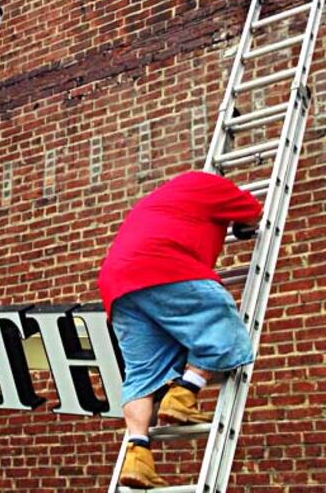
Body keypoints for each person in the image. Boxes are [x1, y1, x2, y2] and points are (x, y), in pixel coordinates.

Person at [98, 171, 263, 488]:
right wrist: (245, 225)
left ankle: (138, 454)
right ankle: (184, 394)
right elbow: (252, 211)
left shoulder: (161, 200)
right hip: (161, 264)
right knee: (219, 324)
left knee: (142, 374)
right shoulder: (212, 184)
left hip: (117, 284)